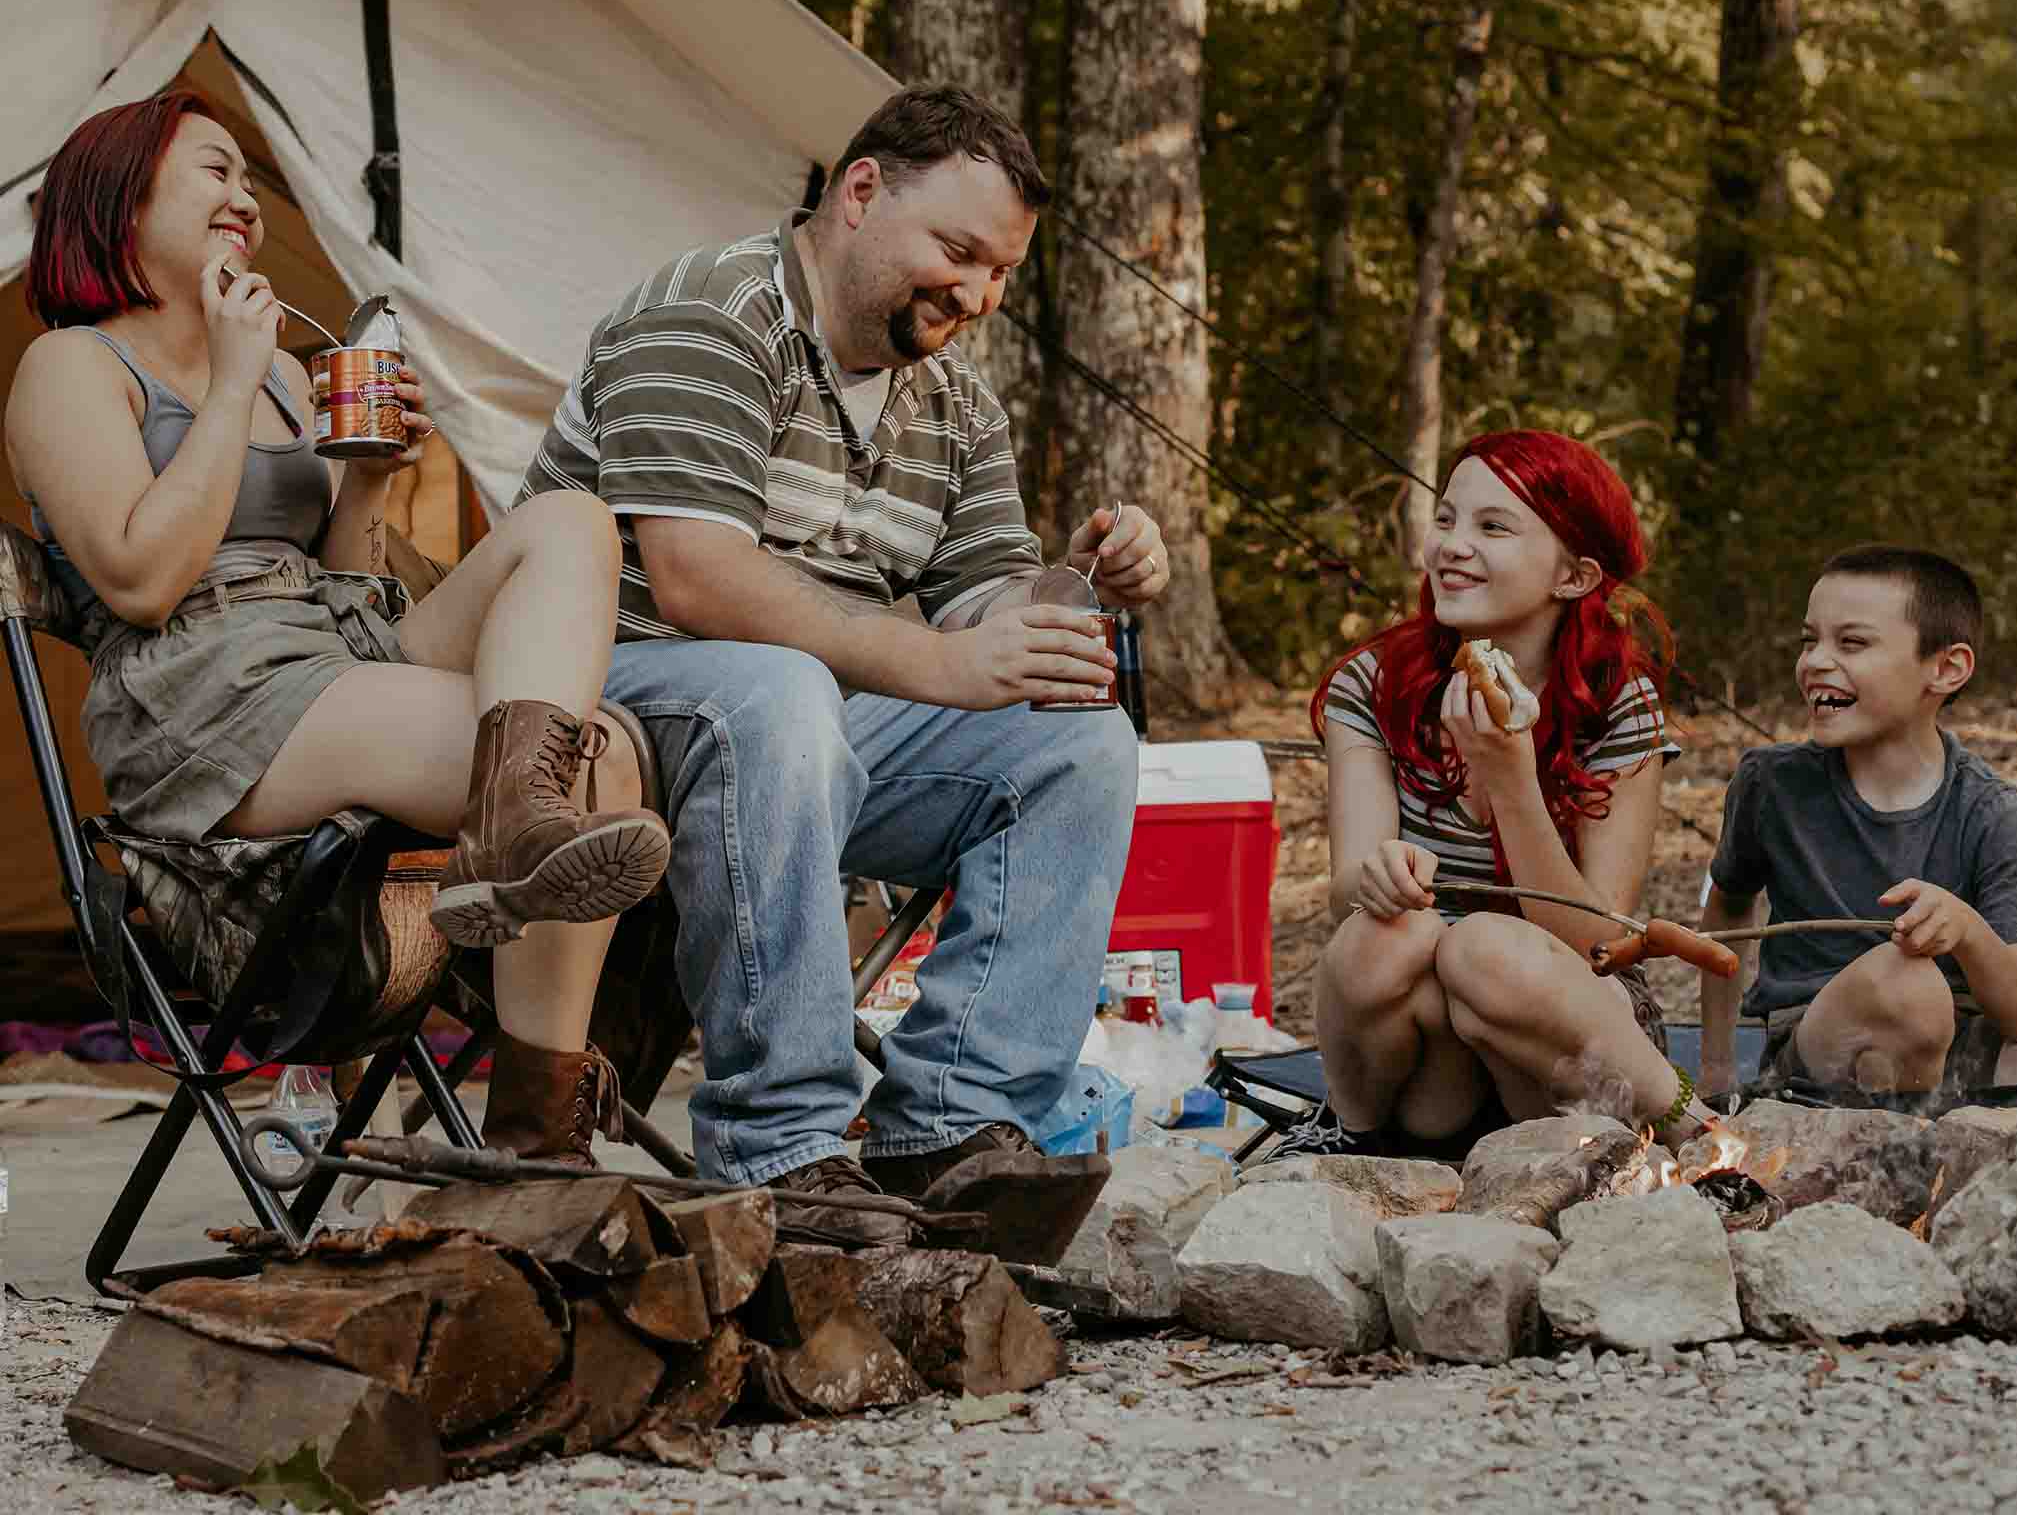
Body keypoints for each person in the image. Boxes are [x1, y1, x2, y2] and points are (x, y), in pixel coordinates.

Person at [520, 84, 1164, 1237]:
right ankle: (783, 1142)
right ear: (861, 191)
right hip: (608, 703)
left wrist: (1077, 581)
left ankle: (951, 1127)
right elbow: (695, 578)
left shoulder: (956, 403)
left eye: (1000, 272)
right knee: (780, 691)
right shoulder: (708, 311)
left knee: (1076, 740)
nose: (977, 294)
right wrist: (940, 664)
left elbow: (984, 605)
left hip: (811, 730)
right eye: (958, 251)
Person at [6, 88, 672, 1165]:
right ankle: (537, 1140)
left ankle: (534, 1130)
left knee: (571, 527)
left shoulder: (281, 371)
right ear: (121, 198)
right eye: (215, 170)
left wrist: (367, 478)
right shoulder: (75, 365)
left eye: (248, 180)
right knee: (596, 764)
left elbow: (344, 582)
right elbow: (140, 581)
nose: (245, 198)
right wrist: (229, 383)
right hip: (201, 691)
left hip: (322, 646)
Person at [1278, 428, 1700, 1161]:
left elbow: (1601, 943)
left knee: (1483, 947)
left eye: (1493, 527)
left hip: (1567, 1044)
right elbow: (1348, 892)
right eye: (1446, 519)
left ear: (1573, 576)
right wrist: (1377, 878)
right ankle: (1355, 1144)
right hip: (1429, 1076)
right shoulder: (1373, 685)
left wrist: (1510, 780)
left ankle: (1694, 1129)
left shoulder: (1618, 703)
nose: (1452, 546)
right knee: (1387, 936)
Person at [1700, 546, 2017, 1104]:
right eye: (1809, 640)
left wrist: (1967, 930)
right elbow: (1729, 908)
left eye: (1852, 643)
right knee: (1907, 984)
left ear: (1946, 668)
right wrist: (1716, 1066)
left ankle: (1956, 1130)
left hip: (1961, 1052)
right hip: (1821, 1042)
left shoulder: (1990, 811)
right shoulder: (1772, 786)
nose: (1815, 661)